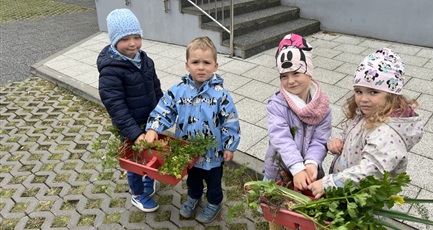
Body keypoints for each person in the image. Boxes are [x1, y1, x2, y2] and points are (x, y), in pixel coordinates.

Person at [144, 36, 240, 223]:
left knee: (213, 182)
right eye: (195, 62)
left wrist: (229, 146)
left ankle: (214, 202)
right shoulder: (178, 91)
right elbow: (164, 109)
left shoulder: (221, 95)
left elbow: (230, 121)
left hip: (213, 153)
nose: (201, 67)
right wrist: (153, 129)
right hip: (188, 151)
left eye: (206, 62)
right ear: (187, 65)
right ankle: (193, 197)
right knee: (193, 179)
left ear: (215, 66)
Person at [308, 48, 424, 199]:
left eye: (373, 92)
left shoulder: (387, 132)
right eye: (359, 91)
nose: (363, 99)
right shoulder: (368, 113)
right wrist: (340, 142)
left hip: (365, 199)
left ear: (392, 95)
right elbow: (356, 138)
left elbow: (372, 170)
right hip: (349, 191)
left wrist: (331, 182)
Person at [97, 8, 163, 212]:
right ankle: (137, 194)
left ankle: (148, 179)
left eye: (136, 37)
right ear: (114, 41)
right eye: (125, 39)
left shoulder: (145, 60)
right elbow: (115, 106)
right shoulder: (111, 71)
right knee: (134, 161)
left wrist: (162, 113)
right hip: (130, 127)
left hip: (149, 122)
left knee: (150, 154)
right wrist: (134, 134)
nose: (133, 43)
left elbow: (156, 88)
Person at [263, 33, 332, 191]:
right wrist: (297, 167)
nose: (291, 81)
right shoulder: (277, 104)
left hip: (308, 174)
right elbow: (281, 138)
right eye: (284, 76)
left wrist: (311, 163)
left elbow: (320, 140)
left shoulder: (323, 107)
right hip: (278, 170)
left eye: (296, 73)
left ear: (309, 72)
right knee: (273, 207)